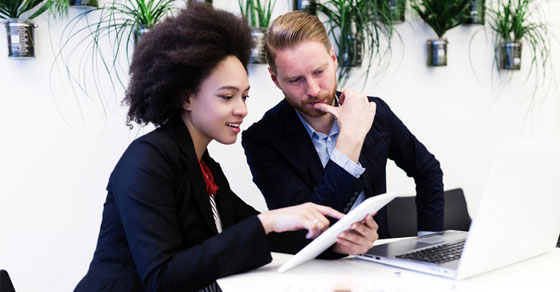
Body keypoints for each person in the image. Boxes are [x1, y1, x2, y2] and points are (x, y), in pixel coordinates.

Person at [74, 5, 360, 292]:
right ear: (187, 98)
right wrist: (267, 221)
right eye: (227, 97)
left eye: (245, 96)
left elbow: (274, 237)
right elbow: (162, 278)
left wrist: (342, 239)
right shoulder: (147, 161)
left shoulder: (205, 168)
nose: (242, 110)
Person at [242, 11, 444, 240]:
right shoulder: (262, 140)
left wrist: (430, 240)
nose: (313, 89)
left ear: (334, 59)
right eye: (295, 80)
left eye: (319, 72)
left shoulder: (374, 112)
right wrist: (350, 141)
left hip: (376, 260)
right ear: (275, 79)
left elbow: (428, 170)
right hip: (313, 269)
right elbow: (307, 229)